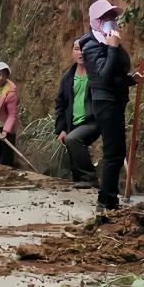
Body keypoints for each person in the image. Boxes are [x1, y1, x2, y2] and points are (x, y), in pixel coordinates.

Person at [79, 0, 138, 214]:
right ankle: (107, 201)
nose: (111, 22)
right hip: (105, 103)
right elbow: (102, 78)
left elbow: (114, 74)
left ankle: (108, 198)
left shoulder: (108, 41)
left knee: (116, 151)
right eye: (106, 18)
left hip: (114, 100)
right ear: (96, 22)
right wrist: (113, 49)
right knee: (114, 153)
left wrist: (130, 79)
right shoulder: (92, 45)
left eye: (113, 17)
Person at [55, 38, 99, 187]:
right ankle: (80, 183)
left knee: (73, 139)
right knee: (73, 151)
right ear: (72, 53)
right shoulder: (67, 77)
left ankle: (90, 178)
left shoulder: (96, 73)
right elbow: (60, 104)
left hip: (93, 120)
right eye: (76, 49)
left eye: (83, 49)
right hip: (72, 123)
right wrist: (61, 129)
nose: (80, 53)